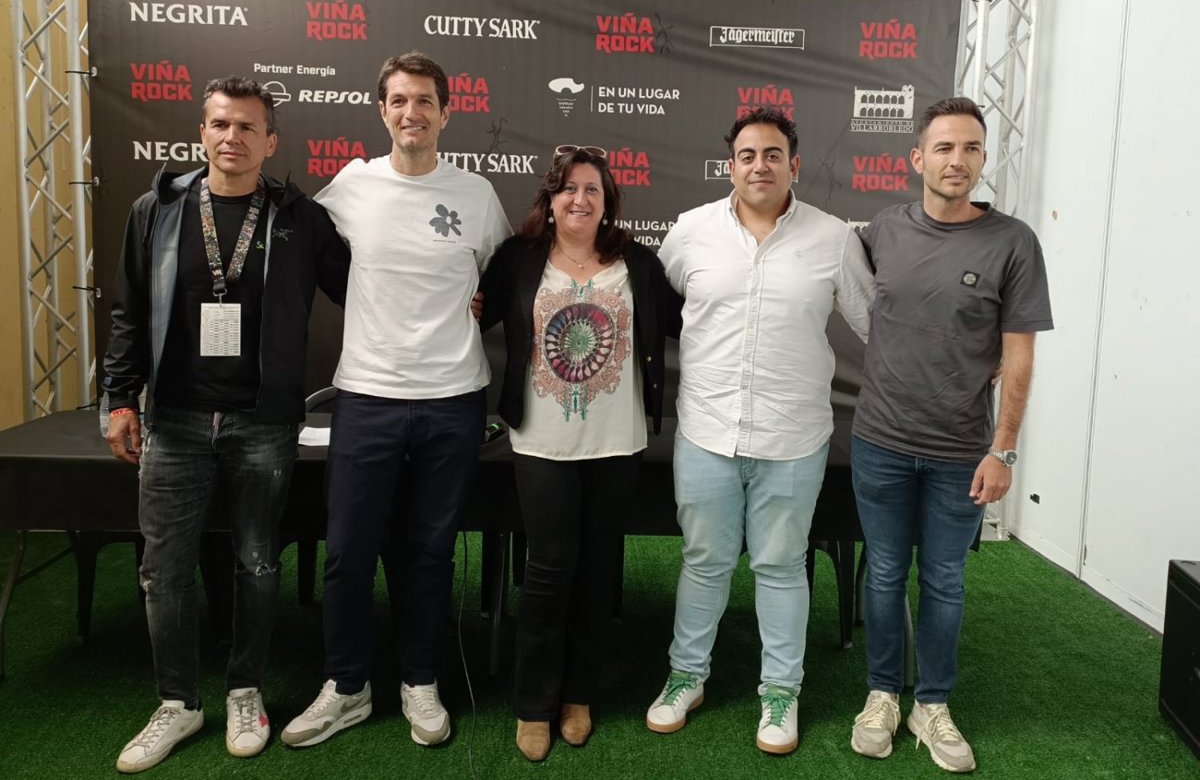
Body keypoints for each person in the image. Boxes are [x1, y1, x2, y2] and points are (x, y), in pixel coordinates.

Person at [102, 76, 350, 773]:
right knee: (163, 570)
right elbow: (128, 312)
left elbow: (366, 289)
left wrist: (456, 295)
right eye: (220, 124)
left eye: (247, 127)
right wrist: (119, 399)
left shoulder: (301, 219)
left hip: (263, 422)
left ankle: (246, 690)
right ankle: (177, 701)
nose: (232, 137)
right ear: (202, 133)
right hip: (174, 419)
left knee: (257, 562)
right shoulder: (157, 210)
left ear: (270, 142)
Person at [282, 51, 512, 749]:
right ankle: (346, 686)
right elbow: (311, 256)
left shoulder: (476, 195)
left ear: (447, 112)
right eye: (400, 101)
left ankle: (420, 680)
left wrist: (482, 300)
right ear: (382, 110)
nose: (413, 113)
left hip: (453, 400)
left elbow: (504, 278)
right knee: (348, 551)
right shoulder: (351, 187)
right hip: (367, 397)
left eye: (425, 101)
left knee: (431, 552)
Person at [645, 106, 875, 754]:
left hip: (793, 438)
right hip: (706, 432)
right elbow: (650, 306)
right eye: (747, 155)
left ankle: (780, 692)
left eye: (773, 154)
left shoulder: (834, 239)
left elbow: (879, 327)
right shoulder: (690, 232)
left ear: (794, 165)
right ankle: (686, 676)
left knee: (780, 566)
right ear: (731, 166)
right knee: (704, 561)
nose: (760, 166)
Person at [848, 96, 1052, 773]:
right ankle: (882, 695)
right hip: (878, 441)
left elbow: (1018, 356)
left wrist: (1004, 447)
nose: (956, 160)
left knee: (943, 581)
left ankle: (930, 704)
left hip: (961, 453)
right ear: (917, 158)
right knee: (883, 574)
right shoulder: (883, 230)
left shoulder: (1014, 242)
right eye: (943, 147)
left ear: (984, 158)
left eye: (970, 148)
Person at [478, 145, 682, 761]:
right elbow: (472, 312)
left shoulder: (638, 263)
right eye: (569, 188)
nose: (580, 199)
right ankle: (533, 702)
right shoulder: (518, 259)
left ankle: (579, 697)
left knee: (597, 569)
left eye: (593, 189)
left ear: (608, 201)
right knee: (547, 569)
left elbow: (690, 320)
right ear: (550, 199)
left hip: (617, 440)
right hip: (541, 440)